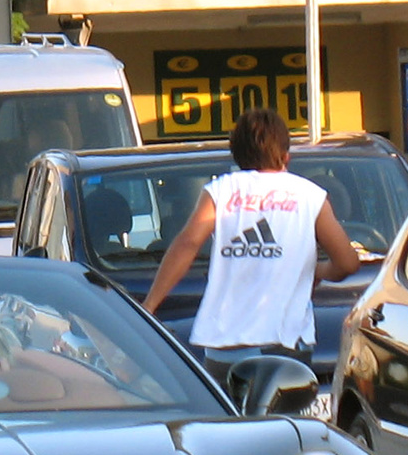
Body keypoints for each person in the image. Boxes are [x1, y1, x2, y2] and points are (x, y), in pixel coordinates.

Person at [142, 107, 359, 388]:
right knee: (282, 429)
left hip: (226, 346)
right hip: (286, 344)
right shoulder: (310, 196)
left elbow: (188, 243)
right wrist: (316, 269)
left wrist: (150, 305)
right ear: (285, 155)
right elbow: (347, 263)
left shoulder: (220, 191)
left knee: (230, 429)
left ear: (236, 154)